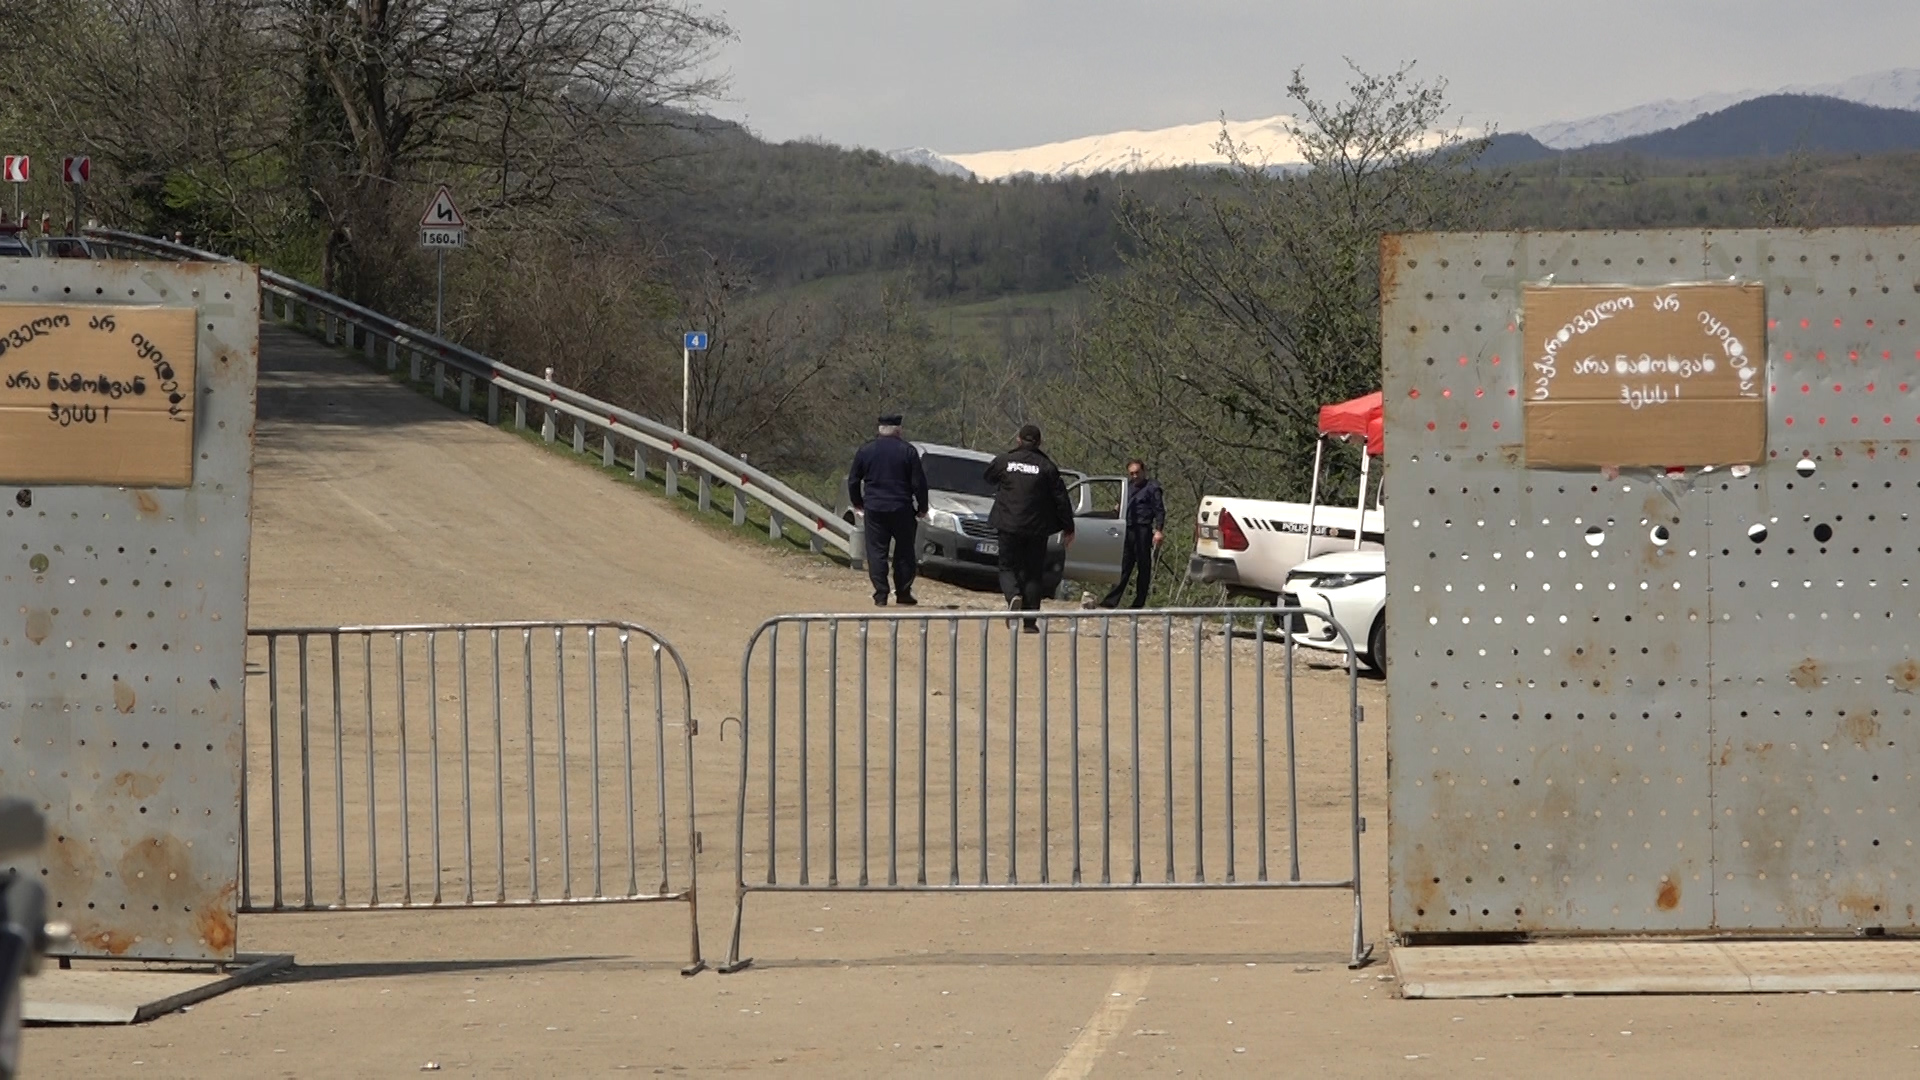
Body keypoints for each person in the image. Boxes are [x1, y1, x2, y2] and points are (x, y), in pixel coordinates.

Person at [984, 423, 1075, 633]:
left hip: (1007, 524)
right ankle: (1030, 623)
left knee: (1007, 566)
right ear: (1039, 442)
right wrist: (1068, 527)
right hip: (1036, 528)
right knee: (1033, 573)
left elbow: (988, 477)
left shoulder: (1005, 461)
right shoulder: (1047, 467)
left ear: (1018, 439)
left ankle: (1013, 595)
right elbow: (1061, 499)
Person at [847, 413, 929, 606]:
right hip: (901, 508)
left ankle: (881, 593)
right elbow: (919, 483)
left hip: (874, 508)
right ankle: (903, 592)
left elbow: (853, 479)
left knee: (876, 551)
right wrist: (922, 508)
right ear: (898, 430)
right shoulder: (908, 451)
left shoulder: (866, 450)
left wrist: (858, 502)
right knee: (904, 552)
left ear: (880, 429)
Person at [1100, 458, 1165, 609]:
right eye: (1132, 473)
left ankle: (1139, 603)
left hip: (1143, 530)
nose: (1135, 476)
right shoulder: (1127, 487)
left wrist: (1159, 530)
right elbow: (1120, 506)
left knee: (1143, 567)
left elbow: (1159, 510)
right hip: (1127, 529)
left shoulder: (1152, 488)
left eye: (1137, 472)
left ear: (1143, 471)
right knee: (1124, 566)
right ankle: (1111, 601)